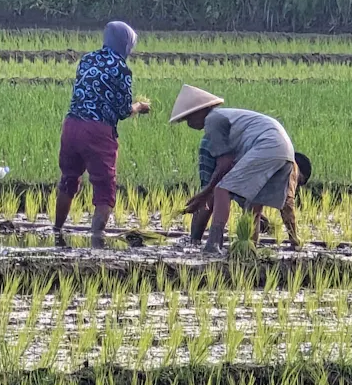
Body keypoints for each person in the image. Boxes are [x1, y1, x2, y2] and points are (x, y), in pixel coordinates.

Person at [54, 21, 151, 248]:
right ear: (125, 44)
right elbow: (122, 110)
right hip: (97, 131)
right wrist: (139, 106)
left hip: (71, 125)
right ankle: (96, 245)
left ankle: (56, 231)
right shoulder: (122, 69)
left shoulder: (86, 59)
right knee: (104, 188)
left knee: (69, 179)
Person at [169, 85, 297, 253]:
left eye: (189, 118)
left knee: (222, 189)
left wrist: (204, 194)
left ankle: (214, 243)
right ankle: (250, 247)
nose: (189, 124)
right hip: (285, 149)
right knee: (255, 203)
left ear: (201, 111)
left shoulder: (212, 120)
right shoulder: (226, 116)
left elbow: (225, 163)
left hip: (267, 144)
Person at [189, 130, 310, 250]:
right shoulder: (290, 165)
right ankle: (204, 244)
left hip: (215, 140)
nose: (295, 186)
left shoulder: (266, 161)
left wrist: (262, 223)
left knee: (210, 193)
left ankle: (194, 243)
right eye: (298, 183)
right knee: (209, 196)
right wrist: (294, 239)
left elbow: (248, 203)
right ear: (300, 175)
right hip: (224, 145)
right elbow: (287, 204)